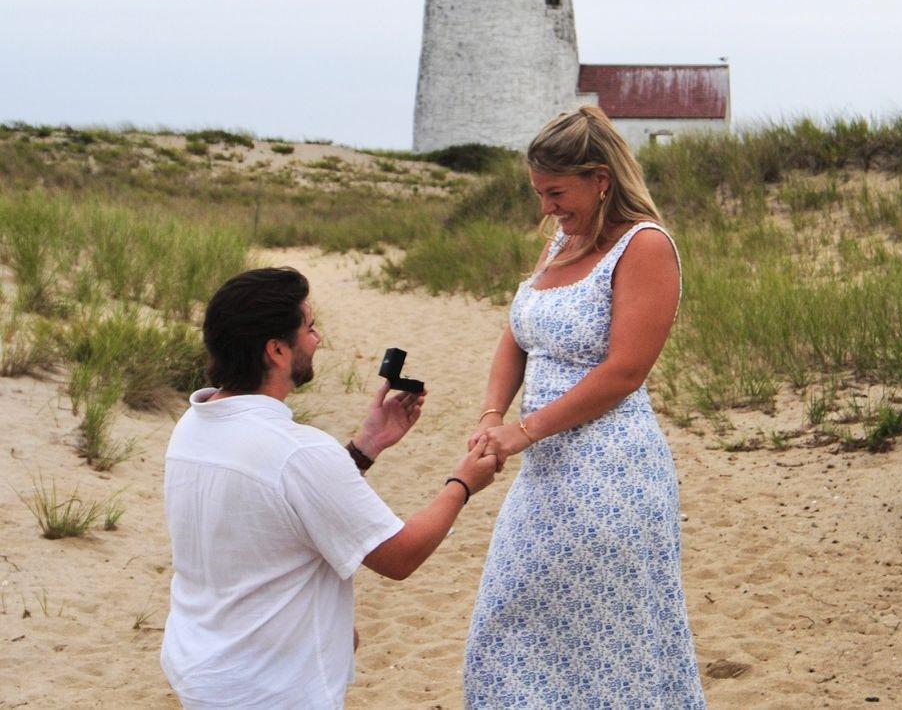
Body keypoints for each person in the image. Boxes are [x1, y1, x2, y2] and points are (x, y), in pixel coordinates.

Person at [161, 267, 497, 710]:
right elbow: (400, 556)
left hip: (204, 671)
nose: (317, 339)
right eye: (310, 327)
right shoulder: (298, 452)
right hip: (271, 690)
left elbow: (281, 506)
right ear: (277, 350)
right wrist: (462, 483)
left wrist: (365, 446)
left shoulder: (195, 423)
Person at [463, 106, 706, 708]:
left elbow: (625, 371)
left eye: (555, 193)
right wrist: (492, 417)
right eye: (538, 193)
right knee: (503, 625)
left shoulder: (644, 246)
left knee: (611, 645)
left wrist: (524, 430)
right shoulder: (561, 242)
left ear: (600, 180)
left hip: (613, 473)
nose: (546, 207)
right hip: (544, 474)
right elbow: (517, 333)